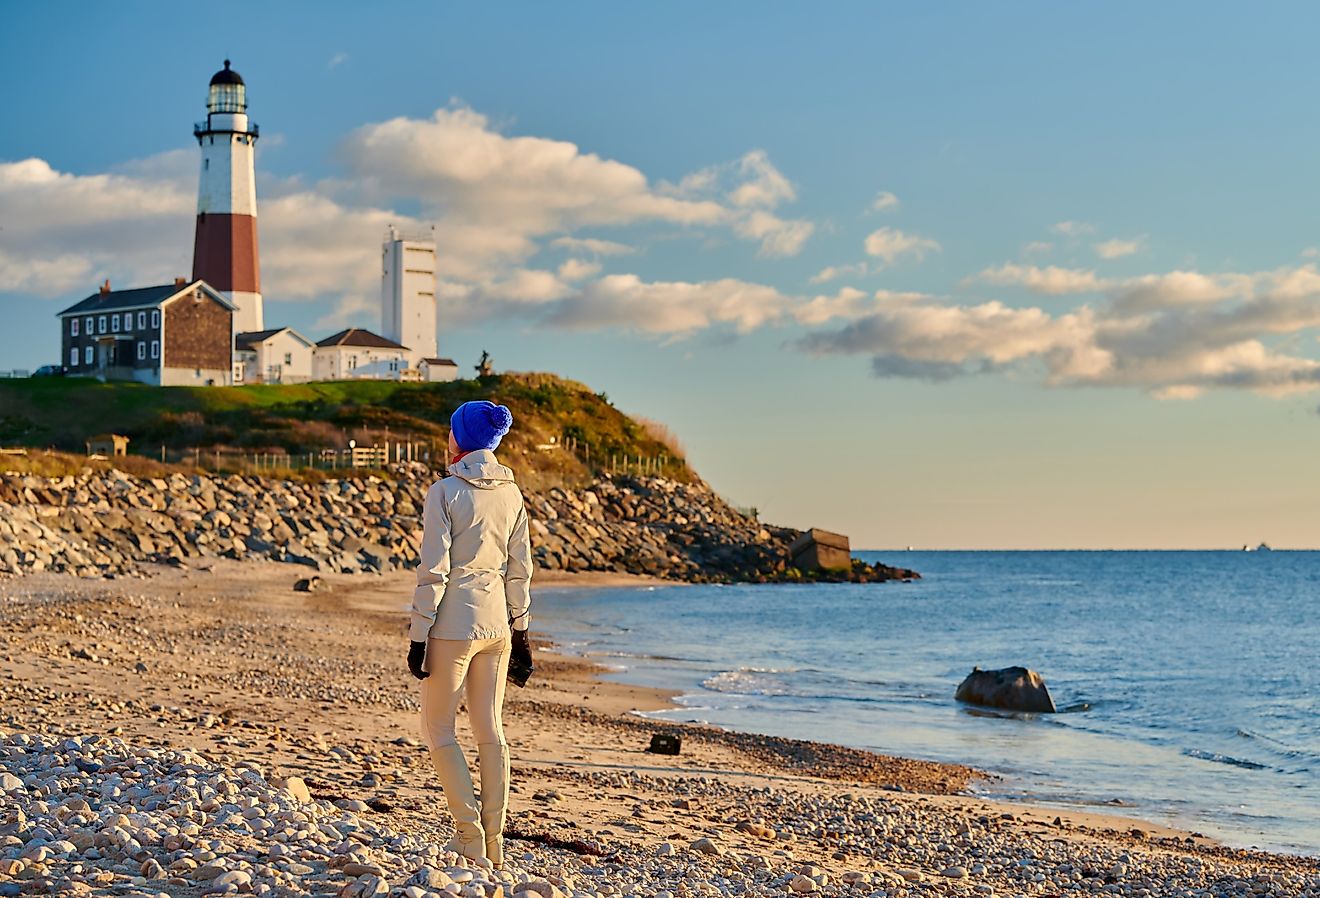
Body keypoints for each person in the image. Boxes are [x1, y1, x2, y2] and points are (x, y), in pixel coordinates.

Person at [407, 400, 533, 868]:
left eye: (451, 432)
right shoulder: (512, 493)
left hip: (453, 626)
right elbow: (520, 570)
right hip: (498, 624)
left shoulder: (444, 492)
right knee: (490, 729)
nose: (447, 438)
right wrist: (522, 632)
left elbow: (433, 571)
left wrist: (418, 634)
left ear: (461, 439)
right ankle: (495, 842)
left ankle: (469, 834)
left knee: (437, 727)